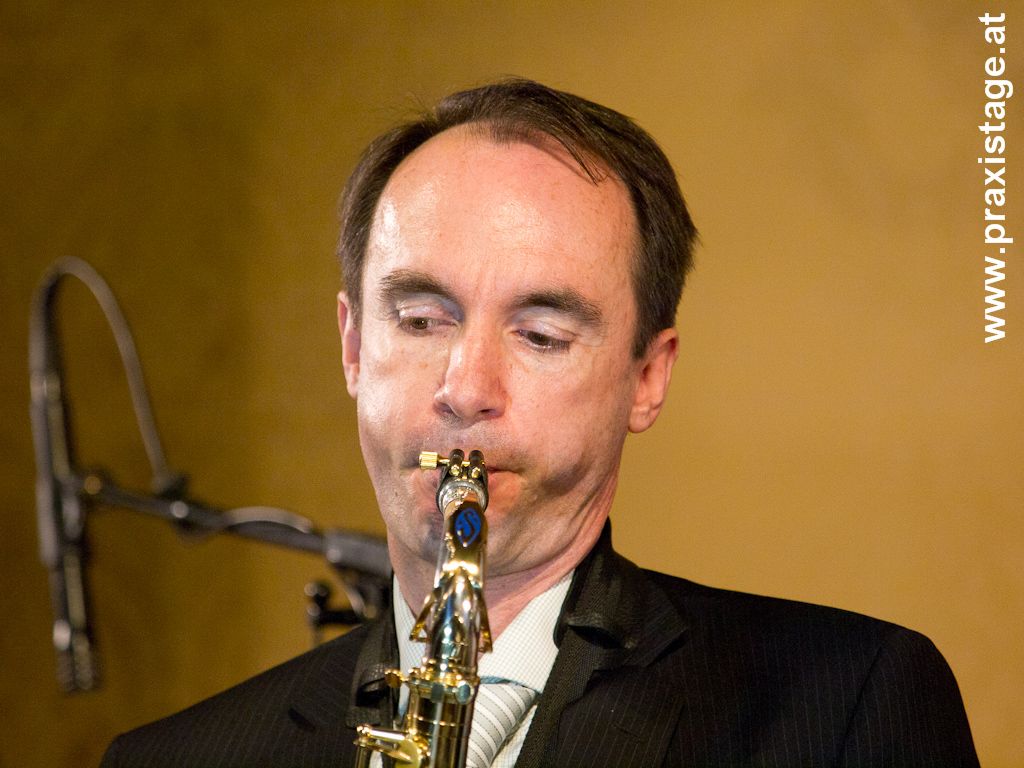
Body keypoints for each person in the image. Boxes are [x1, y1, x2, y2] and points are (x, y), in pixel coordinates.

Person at [101, 78, 978, 767]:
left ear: (647, 376)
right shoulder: (168, 761)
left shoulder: (845, 709)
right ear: (353, 347)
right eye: (421, 320)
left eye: (542, 335)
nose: (465, 388)